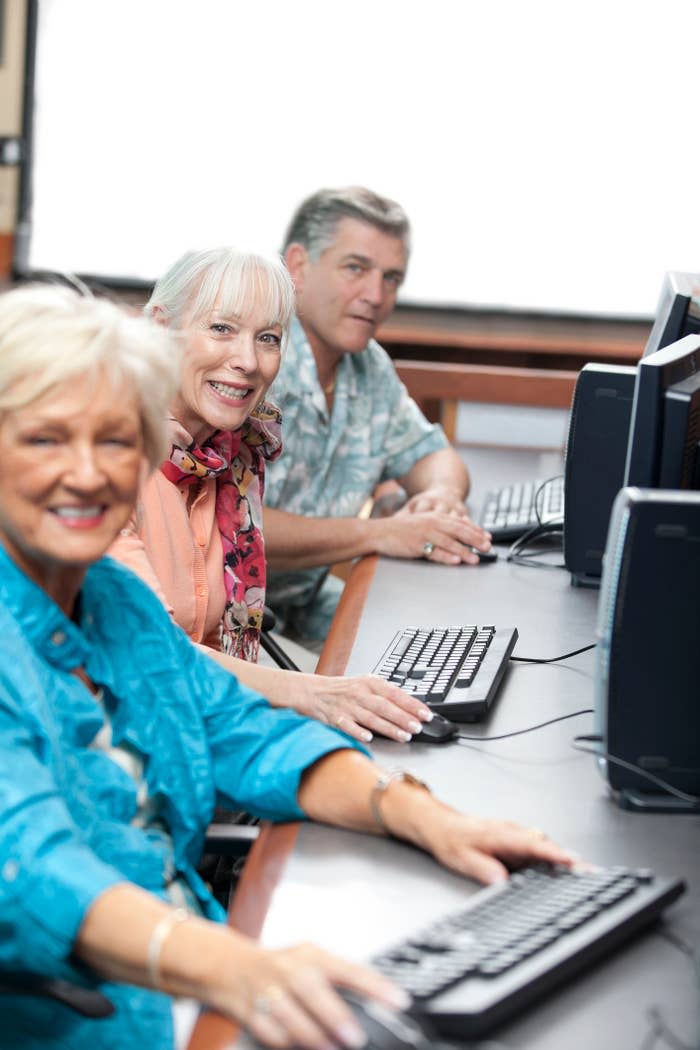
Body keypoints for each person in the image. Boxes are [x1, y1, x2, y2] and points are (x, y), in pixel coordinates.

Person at [0, 283, 573, 1050]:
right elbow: (28, 872)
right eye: (45, 440)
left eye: (114, 440)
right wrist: (239, 969)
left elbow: (249, 734)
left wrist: (424, 815)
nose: (87, 472)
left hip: (194, 981)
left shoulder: (114, 602)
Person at [109, 247, 433, 745]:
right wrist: (312, 694)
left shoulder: (229, 458)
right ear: (158, 327)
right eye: (221, 329)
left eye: (268, 339)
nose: (247, 361)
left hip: (207, 723)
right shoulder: (101, 460)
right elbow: (154, 653)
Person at [263, 186, 492, 645]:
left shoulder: (369, 367)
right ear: (297, 265)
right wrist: (383, 533)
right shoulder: (252, 358)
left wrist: (440, 496)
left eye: (391, 278)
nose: (375, 295)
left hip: (299, 606)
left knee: (442, 641)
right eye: (356, 268)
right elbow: (233, 527)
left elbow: (433, 455)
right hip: (227, 619)